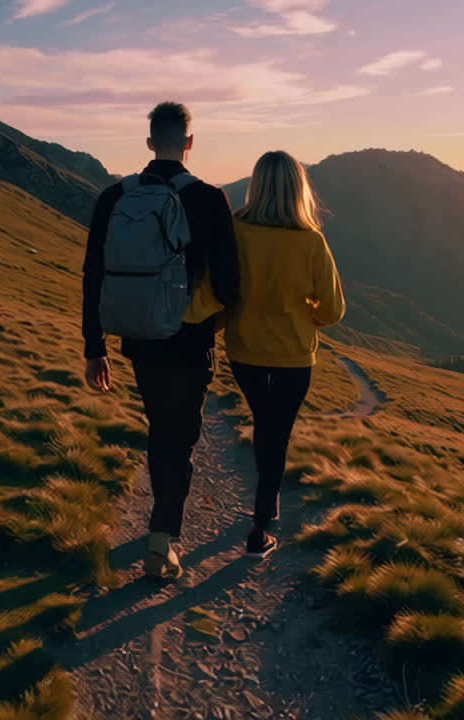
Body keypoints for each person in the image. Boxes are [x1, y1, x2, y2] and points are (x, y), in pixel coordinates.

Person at [82, 102, 240, 579]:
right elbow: (231, 282)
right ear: (190, 142)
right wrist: (216, 323)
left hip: (139, 339)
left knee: (160, 430)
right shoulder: (210, 199)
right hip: (191, 339)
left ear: (149, 142)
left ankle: (160, 530)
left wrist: (95, 347)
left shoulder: (114, 196)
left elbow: (94, 274)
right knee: (181, 437)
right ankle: (161, 540)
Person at [225, 151, 345, 559]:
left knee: (265, 423)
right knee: (278, 431)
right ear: (300, 189)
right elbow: (333, 310)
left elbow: (221, 285)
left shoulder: (235, 230)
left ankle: (265, 509)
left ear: (255, 184)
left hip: (244, 348)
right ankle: (260, 526)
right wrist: (304, 312)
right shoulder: (311, 240)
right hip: (293, 354)